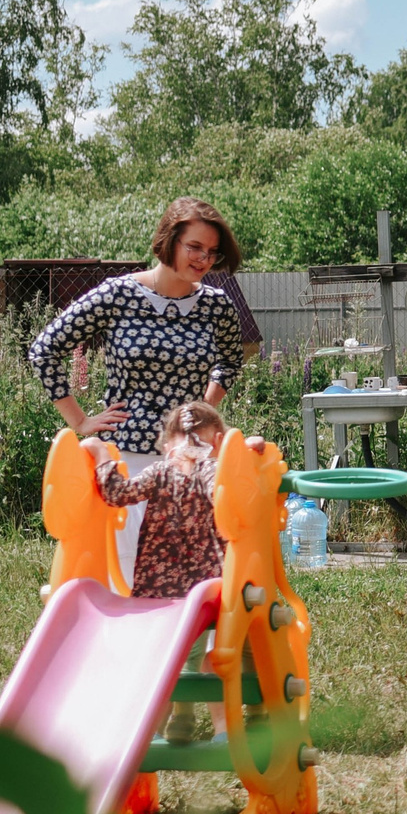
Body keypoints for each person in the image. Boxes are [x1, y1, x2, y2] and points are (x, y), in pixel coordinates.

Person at [29, 198, 247, 584]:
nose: (203, 259)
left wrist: (202, 410)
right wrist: (79, 420)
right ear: (169, 240)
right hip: (128, 459)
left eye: (211, 252)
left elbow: (229, 362)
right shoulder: (117, 296)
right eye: (194, 246)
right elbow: (45, 349)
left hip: (189, 462)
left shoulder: (217, 306)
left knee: (195, 574)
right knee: (132, 575)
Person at [82, 400, 227, 601]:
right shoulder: (213, 469)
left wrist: (101, 453)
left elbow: (117, 494)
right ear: (219, 441)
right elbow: (224, 496)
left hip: (157, 589)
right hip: (210, 587)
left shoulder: (159, 471)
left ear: (167, 447)